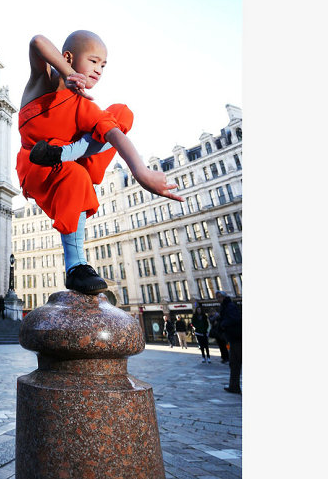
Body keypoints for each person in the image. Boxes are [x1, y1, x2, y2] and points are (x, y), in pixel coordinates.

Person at [16, 31, 183, 294]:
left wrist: (140, 171)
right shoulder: (42, 83)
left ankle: (67, 152)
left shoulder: (84, 105)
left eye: (103, 65)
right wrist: (67, 72)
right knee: (76, 176)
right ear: (68, 57)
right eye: (94, 61)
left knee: (121, 113)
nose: (99, 70)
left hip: (71, 159)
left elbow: (115, 134)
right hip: (38, 167)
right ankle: (76, 266)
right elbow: (37, 42)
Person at [216, 290, 242, 394]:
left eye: (219, 297)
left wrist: (223, 324)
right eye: (217, 297)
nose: (218, 299)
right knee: (233, 363)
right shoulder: (225, 306)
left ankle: (234, 386)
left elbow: (236, 319)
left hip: (237, 337)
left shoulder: (230, 306)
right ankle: (234, 386)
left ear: (224, 296)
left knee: (237, 361)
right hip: (232, 338)